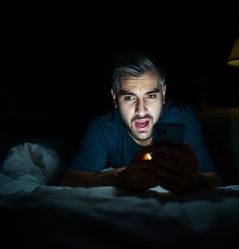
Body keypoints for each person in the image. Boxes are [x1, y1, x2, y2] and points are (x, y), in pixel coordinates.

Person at [60, 50, 222, 194]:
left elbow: (214, 179)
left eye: (151, 96)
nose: (141, 111)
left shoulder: (182, 118)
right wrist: (120, 177)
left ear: (163, 94)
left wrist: (195, 180)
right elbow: (70, 179)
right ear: (115, 99)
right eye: (129, 97)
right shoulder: (103, 126)